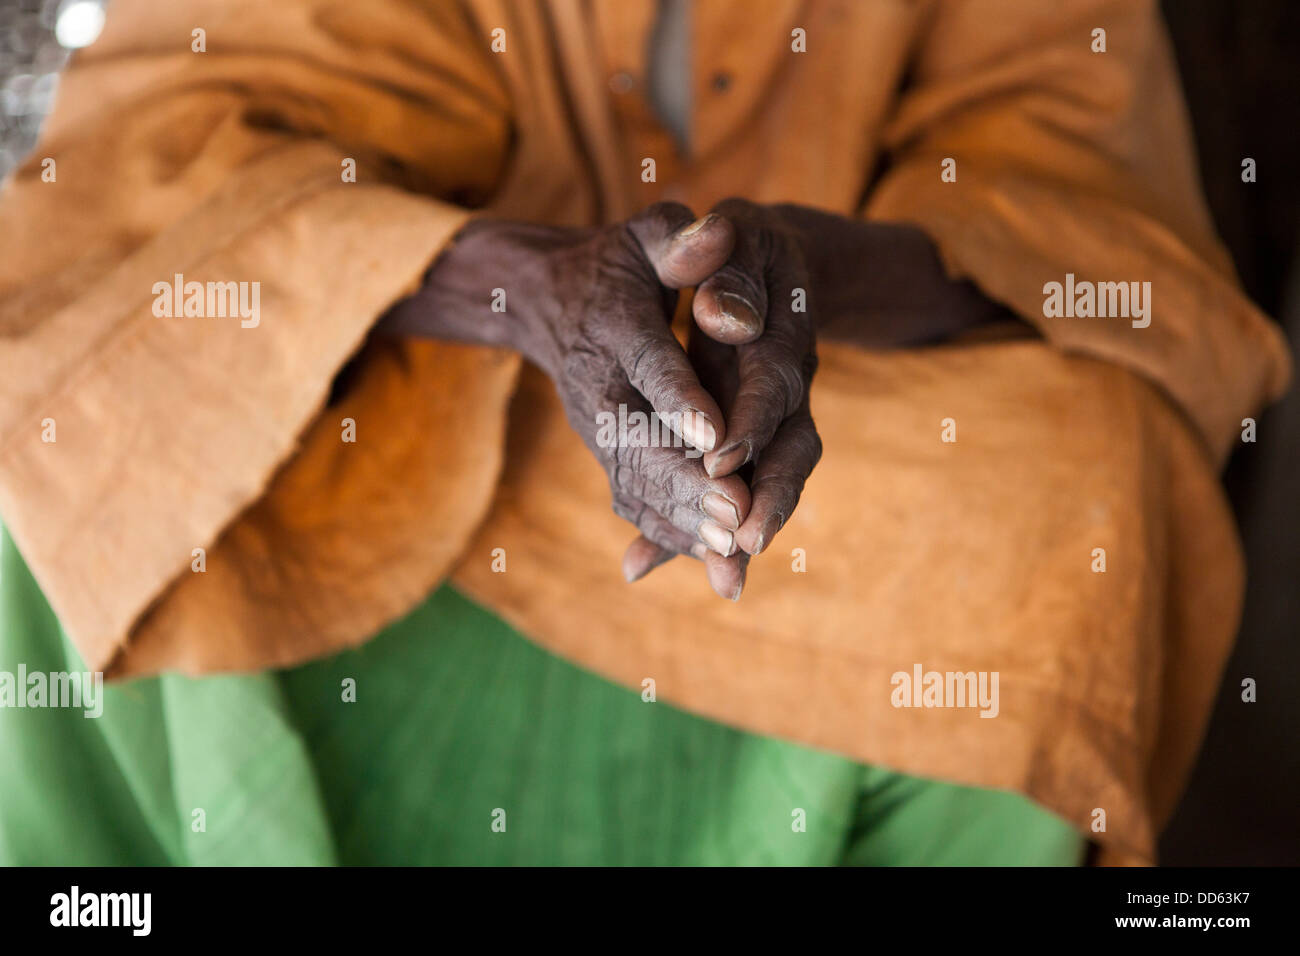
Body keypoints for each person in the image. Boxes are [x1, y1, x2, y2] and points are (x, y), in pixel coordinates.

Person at [0, 0, 1287, 865]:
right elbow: (183, 157)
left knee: (1082, 482)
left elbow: (1082, 220)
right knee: (85, 410)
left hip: (838, 458)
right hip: (424, 422)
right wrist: (535, 288)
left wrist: (798, 286)